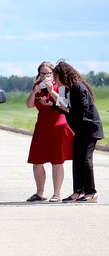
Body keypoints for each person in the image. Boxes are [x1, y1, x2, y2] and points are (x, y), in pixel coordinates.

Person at [52, 60, 104, 203]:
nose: (56, 81)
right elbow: (67, 109)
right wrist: (51, 104)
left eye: (56, 78)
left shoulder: (78, 88)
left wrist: (65, 109)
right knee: (78, 160)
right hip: (81, 129)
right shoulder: (67, 89)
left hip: (90, 128)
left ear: (63, 76)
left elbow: (82, 111)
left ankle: (91, 192)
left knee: (85, 159)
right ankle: (77, 192)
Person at [25, 61, 74, 202]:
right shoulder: (37, 86)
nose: (45, 76)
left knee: (57, 161)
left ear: (53, 74)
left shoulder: (61, 85)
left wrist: (51, 90)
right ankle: (39, 192)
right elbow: (29, 105)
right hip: (42, 125)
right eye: (42, 73)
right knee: (37, 160)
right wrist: (34, 92)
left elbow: (65, 105)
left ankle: (56, 193)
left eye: (48, 73)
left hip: (58, 124)